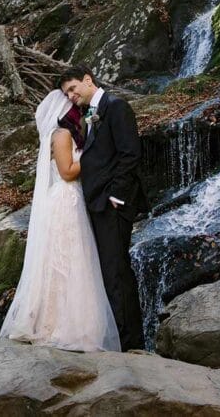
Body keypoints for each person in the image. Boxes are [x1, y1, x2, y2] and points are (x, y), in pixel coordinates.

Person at [0, 89, 120, 353]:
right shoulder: (62, 134)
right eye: (73, 107)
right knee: (67, 260)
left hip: (73, 199)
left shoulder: (71, 134)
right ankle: (56, 325)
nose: (78, 108)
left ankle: (73, 324)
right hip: (66, 200)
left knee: (75, 260)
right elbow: (67, 172)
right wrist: (95, 155)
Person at [60, 64, 149, 351]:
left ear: (88, 80)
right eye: (66, 93)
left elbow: (130, 154)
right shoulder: (89, 115)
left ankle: (130, 343)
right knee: (112, 273)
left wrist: (116, 197)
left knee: (117, 273)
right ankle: (124, 339)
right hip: (97, 205)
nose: (71, 96)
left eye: (73, 88)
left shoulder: (116, 106)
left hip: (113, 205)